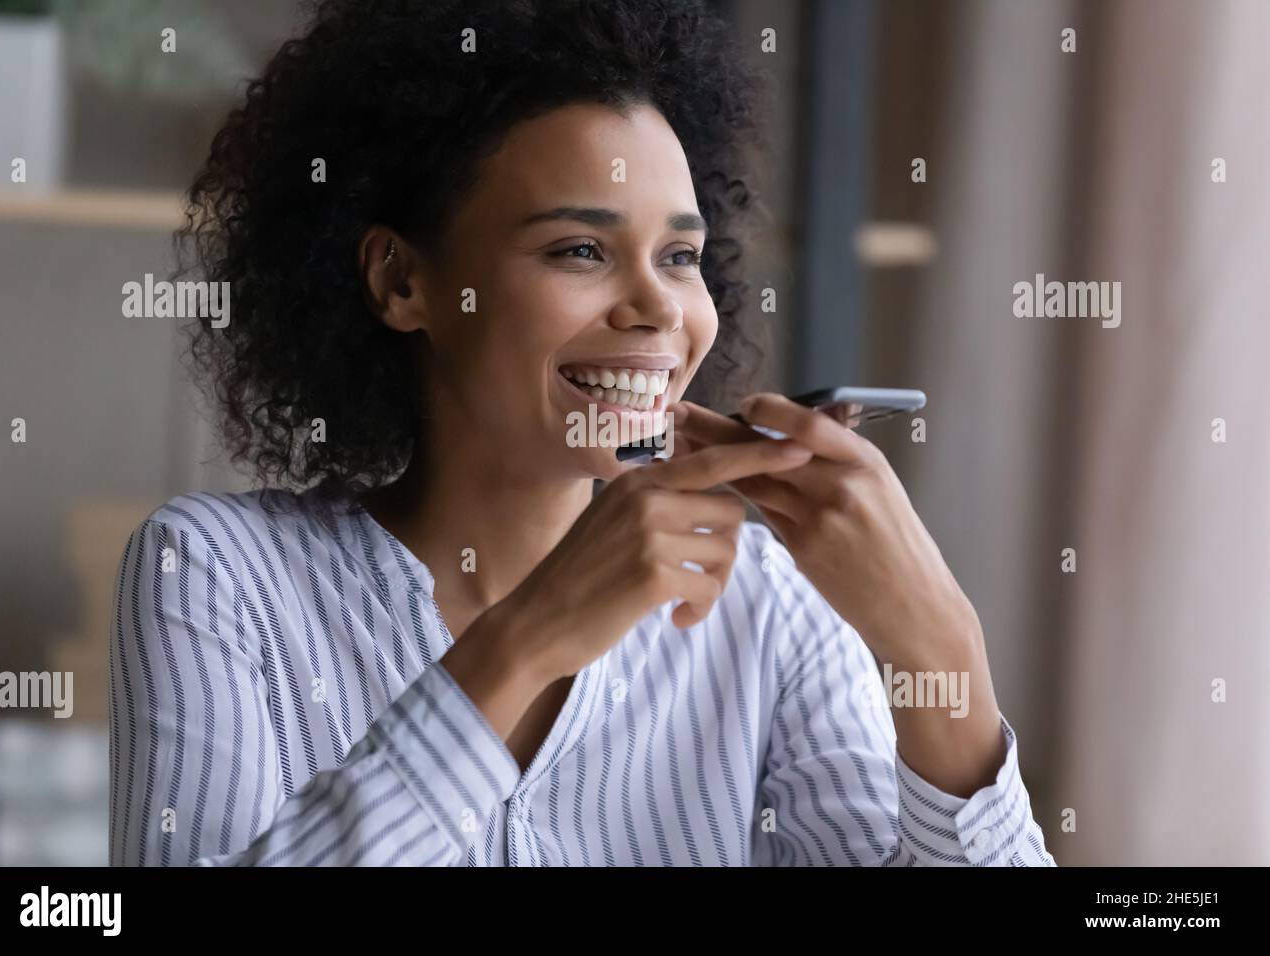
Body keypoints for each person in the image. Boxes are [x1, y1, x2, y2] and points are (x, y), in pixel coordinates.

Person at [109, 0, 1054, 866]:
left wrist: (941, 656)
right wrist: (524, 641)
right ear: (402, 282)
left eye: (680, 257)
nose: (658, 307)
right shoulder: (214, 575)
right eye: (581, 250)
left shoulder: (770, 613)